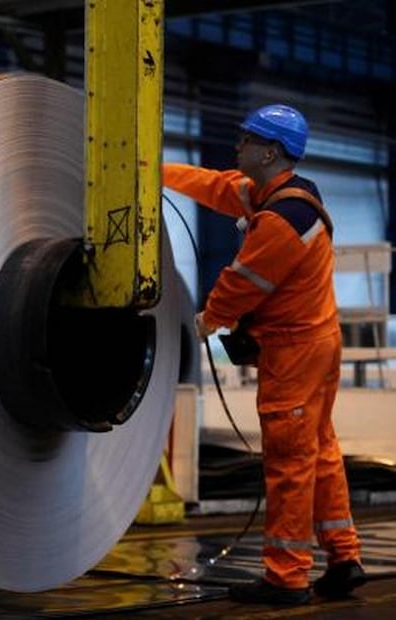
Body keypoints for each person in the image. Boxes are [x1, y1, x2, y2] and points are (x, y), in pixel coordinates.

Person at [163, 104, 366, 605]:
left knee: (290, 460)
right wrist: (154, 172)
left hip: (296, 350)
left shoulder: (283, 218)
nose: (238, 147)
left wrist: (209, 318)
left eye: (246, 140)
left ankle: (287, 576)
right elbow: (214, 185)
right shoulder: (279, 193)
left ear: (270, 151)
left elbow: (242, 283)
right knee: (319, 451)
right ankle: (344, 557)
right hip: (315, 342)